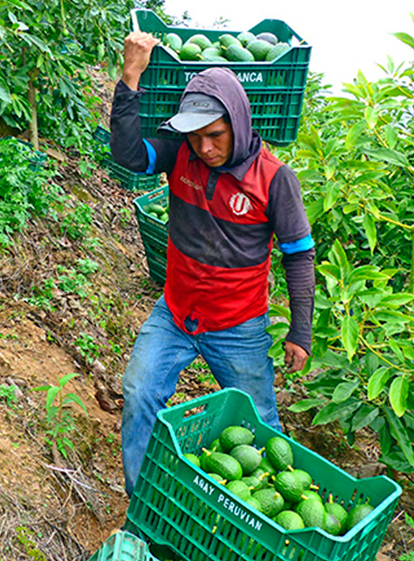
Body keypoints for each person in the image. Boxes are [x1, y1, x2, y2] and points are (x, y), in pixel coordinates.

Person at [110, 32, 316, 497]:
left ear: (238, 122)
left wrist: (300, 330)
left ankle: (266, 529)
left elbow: (299, 255)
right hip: (175, 313)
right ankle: (144, 509)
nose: (204, 148)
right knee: (140, 393)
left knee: (261, 428)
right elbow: (126, 155)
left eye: (215, 135)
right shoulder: (179, 153)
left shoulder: (275, 180)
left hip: (238, 326)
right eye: (196, 137)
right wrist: (130, 78)